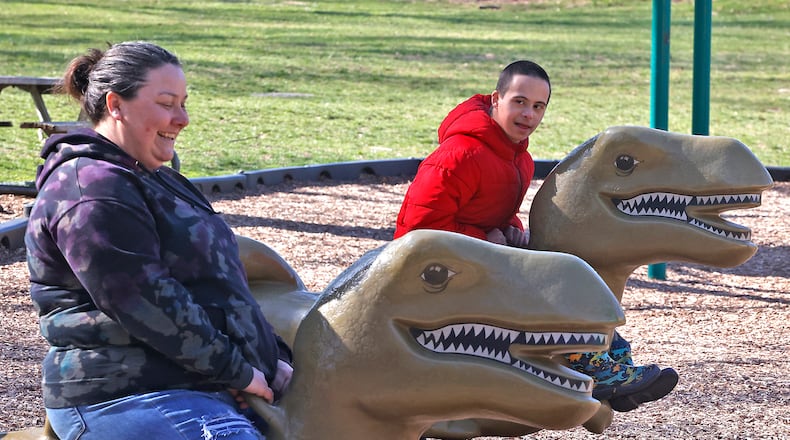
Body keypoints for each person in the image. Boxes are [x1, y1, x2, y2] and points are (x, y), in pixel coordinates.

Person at [24, 41, 292, 440]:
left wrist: (271, 358)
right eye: (167, 103)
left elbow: (219, 283)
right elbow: (142, 299)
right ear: (116, 104)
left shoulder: (160, 180)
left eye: (184, 103)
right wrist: (235, 369)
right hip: (125, 393)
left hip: (200, 382)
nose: (182, 118)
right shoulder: (89, 188)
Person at [393, 60, 661, 409]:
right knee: (548, 293)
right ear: (496, 99)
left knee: (569, 277)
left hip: (474, 260)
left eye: (538, 107)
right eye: (519, 101)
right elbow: (416, 230)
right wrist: (484, 240)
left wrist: (511, 231)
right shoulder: (459, 155)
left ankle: (616, 364)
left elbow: (494, 213)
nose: (528, 114)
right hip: (437, 276)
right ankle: (595, 373)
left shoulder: (519, 158)